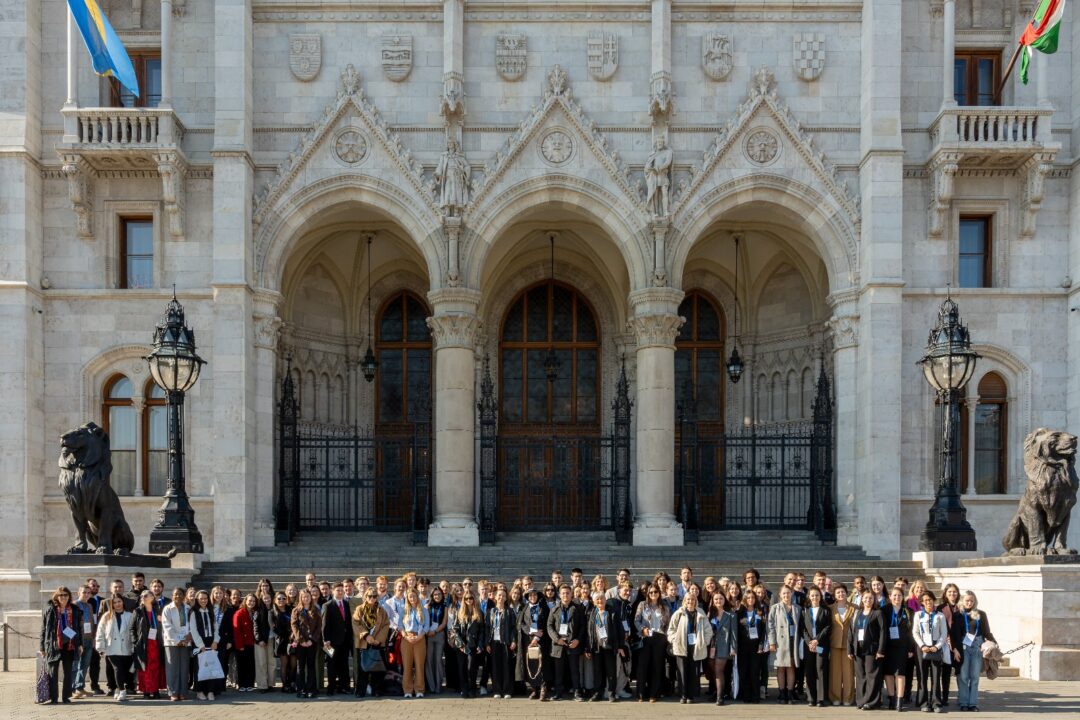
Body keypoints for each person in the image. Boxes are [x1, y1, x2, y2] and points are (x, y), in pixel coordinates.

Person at [39, 586, 83, 704]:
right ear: (56, 597)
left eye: (66, 595)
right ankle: (53, 698)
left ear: (69, 596)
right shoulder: (50, 609)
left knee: (68, 672)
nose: (63, 597)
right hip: (54, 645)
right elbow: (44, 629)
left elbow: (79, 628)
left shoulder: (74, 609)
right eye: (61, 595)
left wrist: (80, 644)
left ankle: (66, 697)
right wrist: (42, 647)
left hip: (69, 644)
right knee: (53, 672)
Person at [668, 591, 711, 704]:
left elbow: (708, 630)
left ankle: (691, 696)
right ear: (684, 601)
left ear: (696, 601)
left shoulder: (701, 613)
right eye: (688, 599)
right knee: (682, 672)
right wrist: (674, 640)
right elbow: (671, 629)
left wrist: (704, 642)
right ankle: (683, 695)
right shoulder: (679, 613)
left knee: (694, 672)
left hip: (696, 647)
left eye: (692, 599)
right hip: (682, 646)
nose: (690, 601)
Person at [953, 591, 994, 712]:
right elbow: (954, 634)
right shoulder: (958, 615)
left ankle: (973, 703)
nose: (969, 603)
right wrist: (955, 649)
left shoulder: (981, 614)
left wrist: (994, 642)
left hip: (977, 646)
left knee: (975, 677)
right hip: (963, 647)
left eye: (972, 601)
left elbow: (987, 632)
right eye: (967, 601)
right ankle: (964, 702)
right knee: (963, 676)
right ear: (962, 601)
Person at [848, 588, 885, 710]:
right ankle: (861, 700)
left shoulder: (877, 613)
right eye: (865, 598)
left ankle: (872, 701)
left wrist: (880, 650)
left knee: (871, 676)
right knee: (860, 676)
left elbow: (883, 632)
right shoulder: (857, 613)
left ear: (874, 599)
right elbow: (851, 631)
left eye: (870, 598)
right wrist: (850, 649)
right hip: (858, 649)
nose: (868, 600)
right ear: (862, 599)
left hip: (872, 650)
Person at [547, 583, 585, 701]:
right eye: (563, 593)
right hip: (559, 644)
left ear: (571, 594)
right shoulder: (554, 609)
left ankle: (577, 693)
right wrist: (556, 639)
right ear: (559, 594)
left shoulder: (578, 608)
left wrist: (578, 640)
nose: (565, 595)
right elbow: (549, 626)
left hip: (572, 643)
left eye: (567, 593)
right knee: (559, 671)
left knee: (575, 670)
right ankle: (558, 693)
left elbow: (583, 626)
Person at [912, 590, 948, 713]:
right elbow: (915, 632)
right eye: (925, 600)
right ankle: (923, 702)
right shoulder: (918, 615)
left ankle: (936, 703)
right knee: (922, 676)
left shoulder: (940, 615)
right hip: (922, 648)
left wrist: (937, 646)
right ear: (921, 602)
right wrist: (922, 645)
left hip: (935, 647)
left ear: (934, 600)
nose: (928, 602)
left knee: (936, 676)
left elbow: (944, 634)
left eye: (930, 599)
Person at [584, 590, 622, 702]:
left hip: (610, 647)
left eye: (602, 598)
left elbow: (619, 630)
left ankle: (611, 694)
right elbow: (588, 632)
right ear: (594, 602)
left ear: (606, 600)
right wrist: (587, 647)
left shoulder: (612, 612)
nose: (600, 601)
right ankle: (598, 693)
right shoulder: (591, 613)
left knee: (611, 672)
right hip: (596, 647)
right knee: (598, 672)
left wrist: (620, 646)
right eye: (597, 599)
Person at [353, 587, 390, 698]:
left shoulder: (381, 610)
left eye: (374, 596)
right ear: (365, 597)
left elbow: (386, 625)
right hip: (364, 642)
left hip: (377, 642)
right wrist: (366, 635)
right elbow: (356, 623)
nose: (372, 598)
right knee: (363, 668)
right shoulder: (359, 609)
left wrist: (378, 639)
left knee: (378, 668)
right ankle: (361, 691)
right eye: (370, 596)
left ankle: (377, 690)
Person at [882, 587, 916, 711]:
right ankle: (891, 699)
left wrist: (911, 648)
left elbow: (912, 632)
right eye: (894, 595)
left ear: (903, 597)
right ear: (890, 597)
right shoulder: (884, 610)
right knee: (888, 673)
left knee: (900, 674)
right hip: (887, 647)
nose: (897, 598)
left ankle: (899, 701)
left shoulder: (909, 611)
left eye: (899, 596)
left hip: (902, 647)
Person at [768, 584, 803, 704]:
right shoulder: (775, 608)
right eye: (784, 593)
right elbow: (770, 626)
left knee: (791, 667)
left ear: (792, 593)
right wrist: (771, 642)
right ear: (780, 595)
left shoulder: (797, 608)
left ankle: (790, 693)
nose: (786, 595)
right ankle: (782, 693)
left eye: (788, 593)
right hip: (780, 642)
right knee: (781, 667)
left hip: (793, 641)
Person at [634, 584, 669, 702]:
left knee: (657, 666)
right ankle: (640, 693)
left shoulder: (664, 606)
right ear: (647, 594)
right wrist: (642, 629)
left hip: (659, 638)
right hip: (646, 637)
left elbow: (668, 623)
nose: (653, 594)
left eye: (655, 592)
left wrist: (667, 636)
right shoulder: (642, 605)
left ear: (659, 593)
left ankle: (654, 693)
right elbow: (636, 620)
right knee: (643, 666)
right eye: (651, 592)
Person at [94, 594, 132, 702]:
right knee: (117, 669)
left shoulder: (130, 615)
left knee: (124, 670)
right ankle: (122, 690)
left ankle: (117, 689)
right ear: (112, 604)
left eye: (119, 601)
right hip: (111, 647)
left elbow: (133, 631)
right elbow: (100, 631)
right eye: (114, 602)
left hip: (126, 648)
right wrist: (100, 647)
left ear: (123, 602)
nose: (117, 604)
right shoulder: (107, 616)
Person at [450, 592, 485, 697]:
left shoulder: (479, 613)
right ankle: (464, 689)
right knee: (462, 668)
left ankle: (473, 688)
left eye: (471, 598)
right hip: (461, 645)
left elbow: (482, 630)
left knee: (471, 668)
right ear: (464, 600)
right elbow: (455, 630)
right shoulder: (459, 613)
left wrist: (480, 644)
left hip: (473, 645)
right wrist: (460, 645)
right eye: (466, 598)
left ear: (474, 599)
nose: (469, 600)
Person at [801, 586, 832, 707]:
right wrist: (810, 641)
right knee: (809, 670)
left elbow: (828, 627)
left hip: (821, 645)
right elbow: (803, 629)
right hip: (808, 645)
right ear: (809, 596)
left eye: (817, 595)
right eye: (812, 595)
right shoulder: (805, 611)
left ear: (821, 596)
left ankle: (821, 698)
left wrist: (817, 640)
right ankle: (811, 697)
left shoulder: (826, 610)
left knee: (821, 670)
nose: (815, 597)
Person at [321, 582, 353, 695]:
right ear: (332, 591)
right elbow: (324, 625)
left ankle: (344, 686)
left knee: (344, 664)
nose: (340, 592)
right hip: (331, 642)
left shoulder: (346, 603)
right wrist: (326, 640)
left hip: (344, 641)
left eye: (341, 590)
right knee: (331, 665)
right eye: (337, 590)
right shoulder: (328, 605)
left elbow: (348, 622)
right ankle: (331, 688)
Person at [161, 587, 193, 701]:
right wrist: (177, 640)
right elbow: (167, 626)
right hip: (171, 642)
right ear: (172, 596)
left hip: (186, 641)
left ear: (184, 596)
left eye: (180, 594)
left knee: (184, 667)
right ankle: (173, 692)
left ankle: (183, 692)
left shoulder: (188, 608)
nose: (177, 596)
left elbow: (192, 624)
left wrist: (189, 635)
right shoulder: (167, 609)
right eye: (175, 594)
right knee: (172, 667)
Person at [519, 586, 551, 700]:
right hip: (529, 640)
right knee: (532, 664)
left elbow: (547, 623)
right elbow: (522, 624)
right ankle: (534, 689)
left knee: (542, 664)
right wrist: (531, 632)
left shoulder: (544, 607)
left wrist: (537, 637)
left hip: (542, 640)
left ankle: (543, 688)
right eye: (530, 595)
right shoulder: (525, 607)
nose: (532, 597)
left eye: (534, 595)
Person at [486, 587, 517, 699]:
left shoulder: (509, 611)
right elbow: (488, 628)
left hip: (506, 642)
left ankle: (507, 690)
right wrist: (487, 643)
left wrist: (514, 640)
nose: (501, 597)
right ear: (495, 597)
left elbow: (514, 628)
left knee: (506, 666)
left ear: (506, 598)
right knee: (495, 667)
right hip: (494, 642)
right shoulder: (491, 612)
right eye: (499, 595)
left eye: (503, 595)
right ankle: (497, 690)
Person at [736, 590, 767, 703]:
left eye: (752, 597)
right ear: (745, 599)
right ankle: (746, 695)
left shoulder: (760, 612)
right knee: (744, 671)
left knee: (755, 672)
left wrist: (761, 645)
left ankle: (756, 696)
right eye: (748, 598)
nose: (750, 600)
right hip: (743, 647)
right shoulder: (739, 613)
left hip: (756, 648)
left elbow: (764, 631)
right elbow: (737, 631)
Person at [707, 590, 737, 705]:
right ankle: (718, 692)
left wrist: (733, 648)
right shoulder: (710, 614)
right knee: (713, 671)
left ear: (724, 600)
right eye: (716, 599)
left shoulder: (731, 615)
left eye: (720, 599)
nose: (718, 601)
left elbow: (734, 633)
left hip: (724, 646)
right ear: (713, 601)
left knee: (719, 671)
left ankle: (720, 697)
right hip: (711, 646)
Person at [132, 590, 164, 699]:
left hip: (156, 642)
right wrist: (135, 641)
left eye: (146, 595)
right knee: (145, 668)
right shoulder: (138, 611)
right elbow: (132, 628)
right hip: (143, 644)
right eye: (142, 596)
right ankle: (146, 690)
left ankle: (155, 690)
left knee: (155, 667)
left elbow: (162, 625)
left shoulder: (157, 610)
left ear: (152, 597)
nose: (143, 597)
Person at [828, 583, 856, 706]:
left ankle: (848, 698)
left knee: (848, 672)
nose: (841, 594)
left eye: (843, 592)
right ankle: (835, 697)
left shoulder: (855, 608)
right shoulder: (830, 608)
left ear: (847, 593)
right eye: (838, 592)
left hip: (849, 644)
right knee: (835, 673)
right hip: (834, 643)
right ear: (834, 595)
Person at [291, 588, 322, 698]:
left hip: (312, 643)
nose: (306, 598)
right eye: (304, 597)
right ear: (301, 598)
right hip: (301, 643)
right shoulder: (296, 611)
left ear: (311, 597)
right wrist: (302, 640)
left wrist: (312, 640)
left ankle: (311, 689)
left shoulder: (316, 610)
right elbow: (294, 626)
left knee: (311, 666)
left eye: (308, 596)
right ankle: (301, 689)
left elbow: (319, 627)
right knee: (300, 666)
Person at [191, 589, 221, 700]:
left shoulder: (211, 610)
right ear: (197, 600)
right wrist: (200, 645)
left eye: (205, 598)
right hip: (200, 643)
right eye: (201, 599)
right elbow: (193, 630)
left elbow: (216, 628)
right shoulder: (194, 612)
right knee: (200, 667)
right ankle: (199, 690)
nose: (203, 600)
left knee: (212, 667)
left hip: (211, 642)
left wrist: (216, 641)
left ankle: (210, 691)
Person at [400, 587, 429, 698]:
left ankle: (419, 689)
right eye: (410, 596)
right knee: (407, 665)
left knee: (419, 665)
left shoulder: (424, 610)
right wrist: (406, 637)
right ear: (407, 597)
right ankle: (407, 690)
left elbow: (426, 626)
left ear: (417, 596)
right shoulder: (404, 610)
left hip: (420, 638)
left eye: (414, 596)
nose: (412, 598)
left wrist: (419, 637)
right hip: (407, 638)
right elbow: (400, 626)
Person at [936, 583, 962, 707]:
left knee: (960, 673)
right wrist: (953, 647)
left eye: (954, 592)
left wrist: (957, 648)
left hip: (960, 645)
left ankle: (961, 696)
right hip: (946, 645)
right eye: (950, 592)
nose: (952, 594)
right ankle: (944, 698)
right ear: (945, 594)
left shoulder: (961, 608)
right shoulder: (940, 608)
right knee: (945, 673)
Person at [70, 584, 97, 699]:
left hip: (89, 639)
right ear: (78, 593)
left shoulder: (90, 606)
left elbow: (92, 621)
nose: (86, 594)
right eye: (84, 592)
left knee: (85, 665)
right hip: (78, 640)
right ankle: (71, 689)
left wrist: (94, 637)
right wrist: (74, 640)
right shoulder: (73, 605)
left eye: (88, 593)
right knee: (75, 665)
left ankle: (80, 687)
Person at [425, 586, 448, 694]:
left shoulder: (445, 606)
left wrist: (435, 631)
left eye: (439, 594)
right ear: (432, 596)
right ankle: (431, 686)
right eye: (435, 595)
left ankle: (438, 686)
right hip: (428, 635)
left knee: (438, 660)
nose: (437, 596)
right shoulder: (427, 606)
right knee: (429, 661)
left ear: (442, 595)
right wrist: (428, 632)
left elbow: (444, 623)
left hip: (439, 634)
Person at [232, 593, 257, 692]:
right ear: (245, 601)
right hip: (242, 644)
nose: (251, 603)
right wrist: (239, 645)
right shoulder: (239, 613)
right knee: (241, 665)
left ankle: (250, 684)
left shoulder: (255, 612)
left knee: (251, 664)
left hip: (252, 643)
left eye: (254, 601)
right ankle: (242, 684)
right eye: (250, 600)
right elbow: (236, 630)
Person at [212, 587, 234, 696]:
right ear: (213, 594)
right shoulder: (208, 607)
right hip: (210, 640)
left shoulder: (228, 609)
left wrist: (230, 640)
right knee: (211, 663)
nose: (218, 595)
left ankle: (220, 686)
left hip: (223, 640)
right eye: (216, 593)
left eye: (220, 593)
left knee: (222, 663)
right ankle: (211, 686)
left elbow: (231, 626)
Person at [271, 592, 295, 693]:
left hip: (293, 640)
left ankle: (292, 683)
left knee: (293, 663)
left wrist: (294, 634)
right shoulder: (272, 612)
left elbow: (296, 622)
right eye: (279, 598)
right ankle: (285, 685)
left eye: (283, 598)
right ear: (275, 600)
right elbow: (274, 628)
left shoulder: (291, 609)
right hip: (281, 641)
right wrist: (288, 633)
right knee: (284, 664)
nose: (281, 600)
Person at [253, 590, 275, 691]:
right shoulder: (258, 610)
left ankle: (270, 683)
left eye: (268, 598)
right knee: (261, 663)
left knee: (271, 662)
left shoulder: (274, 609)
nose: (267, 600)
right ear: (261, 599)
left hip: (271, 639)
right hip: (261, 640)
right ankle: (262, 685)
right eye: (264, 598)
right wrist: (259, 639)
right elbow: (255, 626)